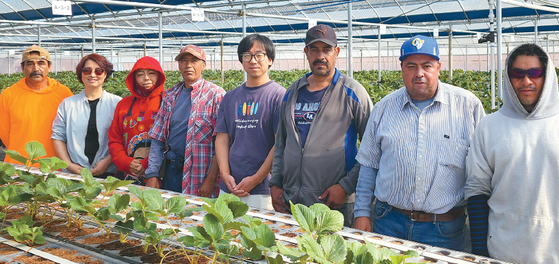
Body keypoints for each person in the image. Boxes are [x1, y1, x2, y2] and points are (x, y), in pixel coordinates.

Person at [353, 35, 485, 251]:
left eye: (427, 66)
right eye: (411, 66)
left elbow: (482, 172)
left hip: (444, 228)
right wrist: (361, 213)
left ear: (439, 67)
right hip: (388, 223)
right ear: (402, 68)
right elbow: (369, 166)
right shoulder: (384, 108)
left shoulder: (467, 106)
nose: (419, 73)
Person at [269, 24, 373, 226]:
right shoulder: (293, 92)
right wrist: (275, 183)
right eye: (314, 50)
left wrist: (345, 186)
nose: (320, 56)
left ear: (337, 52)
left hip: (334, 204)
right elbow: (282, 142)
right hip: (293, 203)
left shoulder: (352, 93)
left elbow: (373, 149)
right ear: (306, 53)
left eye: (326, 50)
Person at [465, 43, 559, 263]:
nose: (526, 81)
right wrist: (480, 250)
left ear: (547, 76)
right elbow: (477, 189)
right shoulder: (489, 126)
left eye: (534, 73)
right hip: (503, 251)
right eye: (518, 74)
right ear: (508, 78)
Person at [215, 34, 285, 210]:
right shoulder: (229, 97)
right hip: (230, 187)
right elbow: (222, 139)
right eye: (247, 55)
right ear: (241, 60)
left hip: (262, 190)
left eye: (259, 55)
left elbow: (280, 144)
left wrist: (256, 179)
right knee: (226, 235)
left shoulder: (280, 96)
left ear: (270, 60)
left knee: (257, 236)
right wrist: (224, 174)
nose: (253, 60)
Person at [145, 45, 225, 197]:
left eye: (194, 60)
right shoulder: (170, 96)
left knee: (198, 218)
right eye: (184, 61)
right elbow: (158, 139)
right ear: (179, 66)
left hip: (200, 175)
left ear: (204, 65)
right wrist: (152, 174)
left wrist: (211, 179)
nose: (188, 65)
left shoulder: (216, 96)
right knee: (169, 215)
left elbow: (221, 143)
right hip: (172, 171)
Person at [0, 45, 73, 164]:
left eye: (41, 63)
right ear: (23, 68)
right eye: (30, 64)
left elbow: (70, 130)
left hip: (53, 166)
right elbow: (4, 133)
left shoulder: (64, 93)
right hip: (18, 166)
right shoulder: (8, 95)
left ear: (49, 67)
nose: (36, 68)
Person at [52, 54, 121, 177]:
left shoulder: (117, 104)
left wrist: (107, 162)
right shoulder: (68, 104)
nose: (92, 75)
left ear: (105, 74)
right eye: (87, 70)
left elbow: (122, 138)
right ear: (81, 74)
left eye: (99, 71)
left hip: (109, 173)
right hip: (73, 173)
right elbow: (58, 137)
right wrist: (69, 164)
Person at [108, 56, 166, 184]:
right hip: (128, 173)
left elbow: (170, 140)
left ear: (159, 76)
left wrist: (146, 163)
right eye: (140, 74)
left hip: (159, 174)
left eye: (151, 73)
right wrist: (125, 162)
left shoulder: (168, 101)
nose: (146, 78)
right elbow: (114, 139)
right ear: (133, 79)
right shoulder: (123, 104)